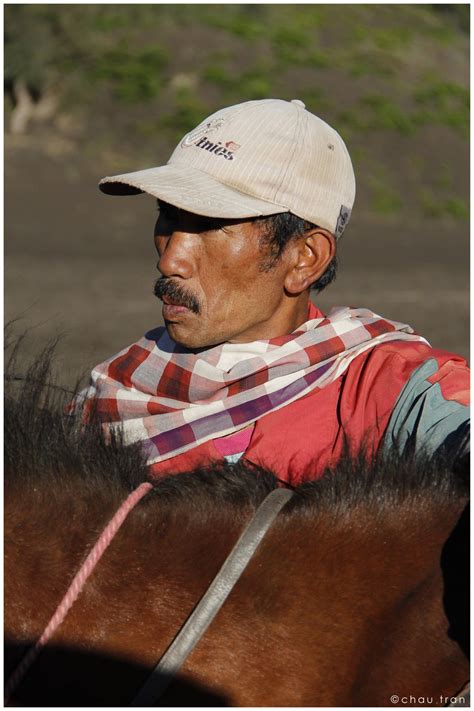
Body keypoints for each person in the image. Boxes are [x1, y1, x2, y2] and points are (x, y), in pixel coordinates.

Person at [80, 98, 469, 484]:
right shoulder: (115, 394)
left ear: (305, 258)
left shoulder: (384, 390)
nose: (171, 261)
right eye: (167, 215)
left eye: (211, 225)